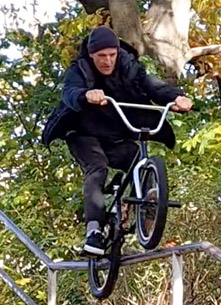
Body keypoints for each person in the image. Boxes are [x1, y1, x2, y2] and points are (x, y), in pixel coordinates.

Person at [42, 26, 193, 256]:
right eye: (101, 56)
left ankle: (140, 207)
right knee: (97, 168)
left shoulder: (128, 65)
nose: (107, 61)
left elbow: (151, 85)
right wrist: (86, 95)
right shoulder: (80, 68)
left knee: (136, 157)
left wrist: (176, 97)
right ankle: (93, 232)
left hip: (114, 136)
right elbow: (70, 92)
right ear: (92, 55)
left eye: (112, 54)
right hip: (83, 134)